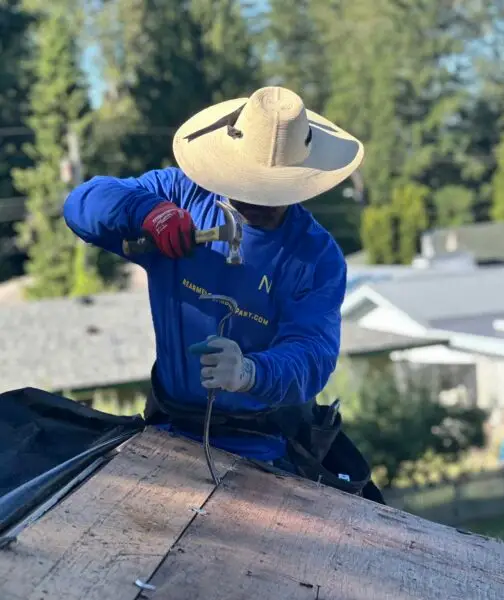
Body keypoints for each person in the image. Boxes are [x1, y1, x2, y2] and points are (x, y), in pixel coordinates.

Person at [63, 86, 383, 502]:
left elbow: (313, 355)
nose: (260, 201)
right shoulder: (181, 195)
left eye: (275, 191)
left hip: (264, 448)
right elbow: (82, 202)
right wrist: (146, 213)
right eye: (252, 186)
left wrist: (250, 372)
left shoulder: (315, 256)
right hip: (167, 429)